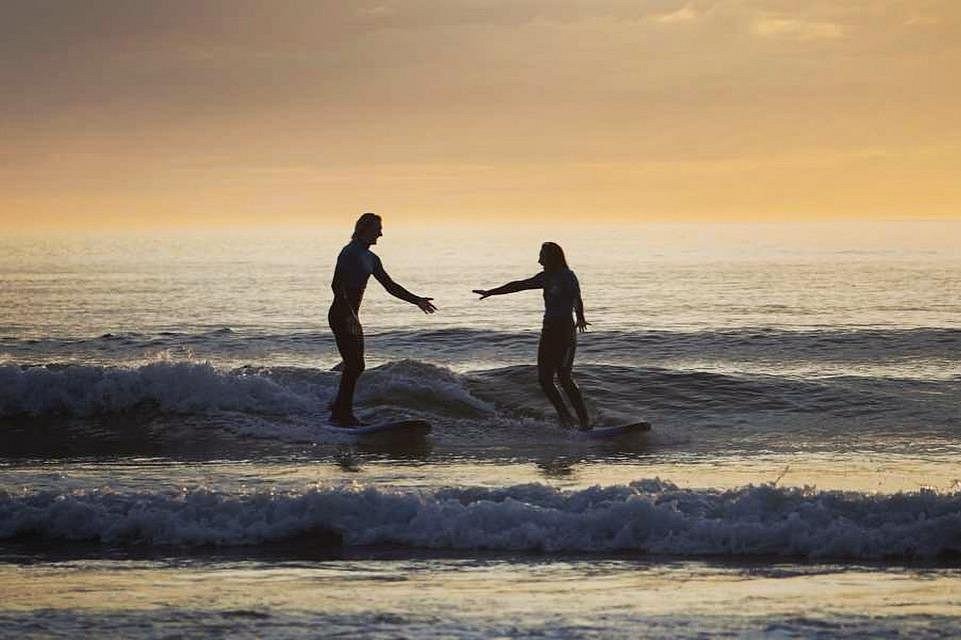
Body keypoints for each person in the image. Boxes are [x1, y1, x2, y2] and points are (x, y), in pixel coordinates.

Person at [328, 212, 436, 426]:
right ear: (364, 230)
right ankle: (341, 413)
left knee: (355, 365)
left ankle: (339, 406)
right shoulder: (349, 253)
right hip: (342, 314)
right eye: (377, 228)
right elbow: (336, 285)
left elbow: (390, 286)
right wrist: (348, 314)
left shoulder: (371, 258)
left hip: (351, 316)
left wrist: (416, 300)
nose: (381, 233)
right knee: (356, 365)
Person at [473, 242, 591, 430]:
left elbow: (576, 296)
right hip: (549, 330)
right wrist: (491, 292)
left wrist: (581, 316)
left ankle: (585, 421)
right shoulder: (546, 277)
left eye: (542, 256)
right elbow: (519, 285)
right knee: (544, 379)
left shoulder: (567, 276)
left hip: (564, 330)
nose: (539, 260)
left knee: (564, 377)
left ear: (552, 257)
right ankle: (566, 418)